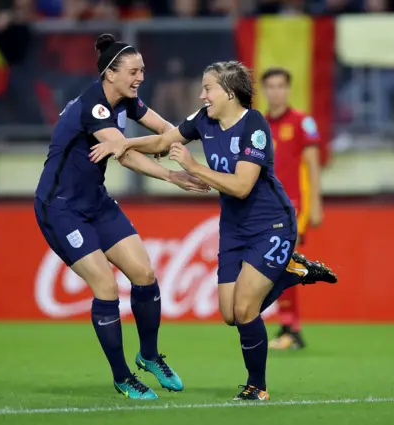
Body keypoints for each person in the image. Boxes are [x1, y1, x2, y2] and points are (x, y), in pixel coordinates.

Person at [90, 61, 337, 401]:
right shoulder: (203, 120)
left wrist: (193, 167)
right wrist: (126, 145)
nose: (202, 94)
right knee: (229, 314)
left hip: (272, 225)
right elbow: (164, 140)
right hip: (234, 229)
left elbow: (242, 186)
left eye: (208, 88)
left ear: (230, 93)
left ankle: (257, 387)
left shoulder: (255, 126)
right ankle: (291, 271)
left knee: (246, 309)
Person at [34, 33, 209, 400]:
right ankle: (122, 376)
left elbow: (165, 130)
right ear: (109, 74)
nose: (140, 77)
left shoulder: (127, 101)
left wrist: (197, 135)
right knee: (107, 286)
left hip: (96, 202)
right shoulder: (93, 107)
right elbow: (124, 153)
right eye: (133, 71)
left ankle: (148, 355)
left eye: (143, 70)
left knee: (145, 274)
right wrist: (173, 175)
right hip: (61, 209)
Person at [261, 67, 324, 351]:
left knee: (283, 263)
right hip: (266, 208)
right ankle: (289, 328)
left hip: (294, 207)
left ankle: (291, 328)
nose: (276, 92)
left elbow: (312, 166)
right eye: (271, 86)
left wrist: (316, 206)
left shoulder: (302, 122)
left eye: (281, 86)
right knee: (276, 265)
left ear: (288, 89)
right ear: (264, 90)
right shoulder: (259, 124)